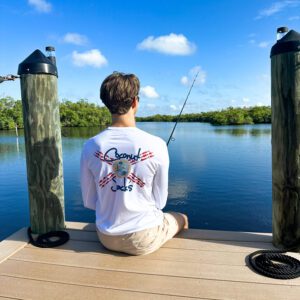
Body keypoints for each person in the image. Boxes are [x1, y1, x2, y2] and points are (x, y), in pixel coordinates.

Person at [80, 71, 188, 255]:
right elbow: (160, 202)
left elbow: (90, 202)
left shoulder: (90, 146)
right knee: (183, 218)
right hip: (143, 239)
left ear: (106, 103)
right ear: (135, 102)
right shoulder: (157, 144)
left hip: (106, 237)